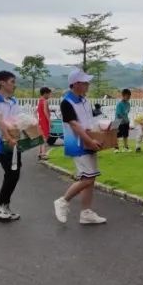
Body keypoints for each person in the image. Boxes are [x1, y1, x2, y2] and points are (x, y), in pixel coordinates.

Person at [52, 69, 107, 225]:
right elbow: (75, 125)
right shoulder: (66, 102)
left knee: (90, 178)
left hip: (89, 141)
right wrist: (89, 141)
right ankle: (63, 201)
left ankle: (86, 213)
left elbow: (89, 122)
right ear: (76, 84)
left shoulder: (85, 101)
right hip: (77, 144)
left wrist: (100, 132)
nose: (88, 84)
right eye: (85, 82)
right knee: (88, 178)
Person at [0, 70, 23, 221]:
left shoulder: (13, 101)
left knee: (15, 173)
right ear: (2, 83)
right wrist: (8, 138)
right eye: (12, 82)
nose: (14, 85)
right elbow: (0, 122)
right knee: (11, 172)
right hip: (0, 142)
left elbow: (18, 120)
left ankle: (5, 206)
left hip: (14, 141)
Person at [114, 88, 132, 152]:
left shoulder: (128, 104)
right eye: (127, 96)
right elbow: (119, 114)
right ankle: (116, 148)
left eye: (129, 96)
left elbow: (127, 112)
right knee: (117, 136)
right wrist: (125, 119)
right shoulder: (119, 104)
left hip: (125, 122)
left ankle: (126, 148)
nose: (128, 97)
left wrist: (127, 120)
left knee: (125, 135)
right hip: (118, 122)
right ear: (123, 96)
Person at [37, 87, 52, 160]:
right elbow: (45, 111)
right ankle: (43, 154)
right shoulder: (45, 101)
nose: (49, 96)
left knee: (41, 137)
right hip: (44, 121)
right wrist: (50, 121)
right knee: (44, 138)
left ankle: (40, 153)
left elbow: (37, 111)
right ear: (45, 93)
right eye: (49, 94)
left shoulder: (40, 100)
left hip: (40, 120)